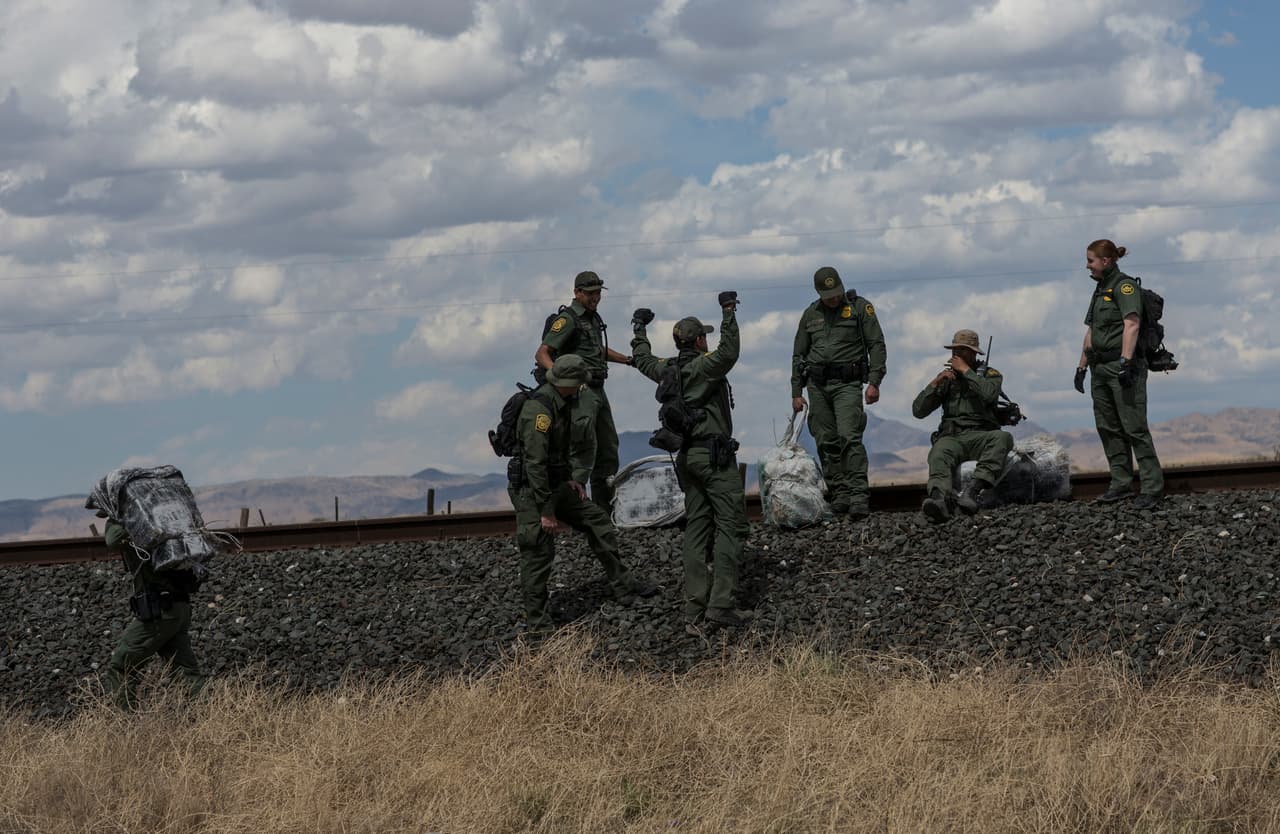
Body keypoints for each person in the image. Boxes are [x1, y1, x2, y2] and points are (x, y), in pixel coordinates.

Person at [508, 354, 657, 635]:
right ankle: (538, 626)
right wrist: (546, 511)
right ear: (568, 383)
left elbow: (559, 452)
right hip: (533, 490)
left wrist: (570, 480)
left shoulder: (563, 403)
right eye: (578, 383)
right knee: (538, 552)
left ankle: (622, 584)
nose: (581, 389)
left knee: (597, 521)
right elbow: (535, 464)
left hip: (556, 484)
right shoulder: (539, 412)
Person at [631, 293, 751, 629]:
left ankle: (695, 606)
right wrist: (729, 312)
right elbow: (729, 352)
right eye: (705, 336)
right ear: (698, 340)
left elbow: (642, 359)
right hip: (714, 458)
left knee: (697, 528)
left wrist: (639, 328)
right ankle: (721, 604)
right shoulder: (704, 366)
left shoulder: (666, 370)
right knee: (732, 526)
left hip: (687, 458)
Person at [85, 498, 206, 710]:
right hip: (179, 608)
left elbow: (112, 540)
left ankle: (120, 725)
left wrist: (116, 512)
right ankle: (206, 720)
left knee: (123, 665)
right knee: (185, 671)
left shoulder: (137, 523)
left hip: (160, 610)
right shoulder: (163, 522)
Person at [790, 266, 887, 520]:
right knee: (825, 440)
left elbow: (877, 344)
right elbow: (799, 354)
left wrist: (875, 381)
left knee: (849, 437)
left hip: (847, 384)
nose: (833, 298)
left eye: (836, 292)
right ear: (818, 292)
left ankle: (858, 496)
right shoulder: (810, 314)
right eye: (828, 294)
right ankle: (840, 495)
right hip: (817, 386)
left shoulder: (859, 309)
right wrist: (796, 391)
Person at [1074, 239, 1164, 509]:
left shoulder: (1124, 286)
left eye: (1091, 260)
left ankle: (1151, 488)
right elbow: (1092, 332)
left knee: (1134, 427)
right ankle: (1121, 483)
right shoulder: (1101, 289)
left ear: (1106, 261)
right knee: (1108, 427)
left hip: (1121, 366)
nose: (1087, 265)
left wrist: (1126, 362)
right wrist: (1081, 367)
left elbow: (1132, 324)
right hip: (1099, 368)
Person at [535, 270, 633, 513]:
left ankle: (604, 512)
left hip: (598, 388)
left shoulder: (591, 319)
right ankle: (575, 510)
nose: (595, 297)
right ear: (577, 293)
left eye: (598, 293)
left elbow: (597, 350)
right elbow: (542, 354)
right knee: (581, 449)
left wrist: (629, 360)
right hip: (582, 390)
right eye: (590, 293)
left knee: (608, 448)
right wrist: (561, 379)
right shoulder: (568, 320)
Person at [911, 329, 1014, 524]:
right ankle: (939, 501)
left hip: (980, 436)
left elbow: (990, 395)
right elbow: (918, 410)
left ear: (974, 353)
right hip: (953, 438)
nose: (956, 354)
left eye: (962, 350)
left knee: (1003, 439)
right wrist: (936, 381)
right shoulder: (948, 379)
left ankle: (972, 492)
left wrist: (966, 372)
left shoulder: (990, 375)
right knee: (939, 451)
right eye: (954, 350)